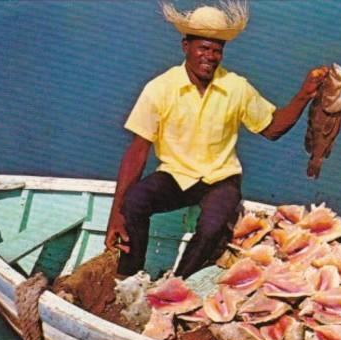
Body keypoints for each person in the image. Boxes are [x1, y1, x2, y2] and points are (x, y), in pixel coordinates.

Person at [104, 2, 327, 279]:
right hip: (177, 176)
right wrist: (117, 214)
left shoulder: (236, 87)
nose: (210, 56)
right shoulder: (160, 88)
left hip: (221, 179)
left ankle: (178, 285)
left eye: (217, 49)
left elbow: (271, 129)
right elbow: (137, 152)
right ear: (186, 46)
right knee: (135, 201)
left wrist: (305, 94)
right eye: (203, 48)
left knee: (212, 227)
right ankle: (128, 278)